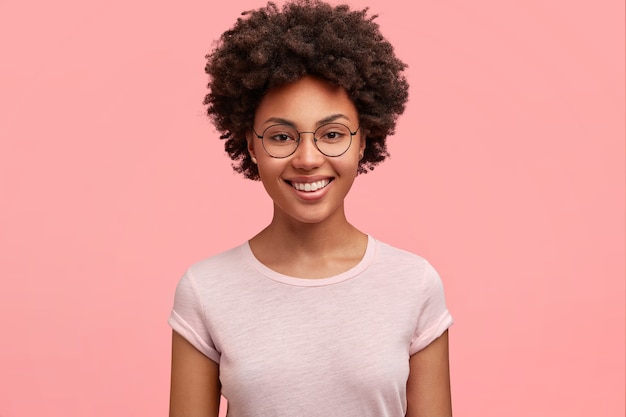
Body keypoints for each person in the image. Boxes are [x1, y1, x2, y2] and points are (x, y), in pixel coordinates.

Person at [168, 1, 453, 416]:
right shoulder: (205, 289)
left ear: (362, 140)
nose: (307, 159)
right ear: (251, 145)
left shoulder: (414, 284)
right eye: (281, 136)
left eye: (332, 133)